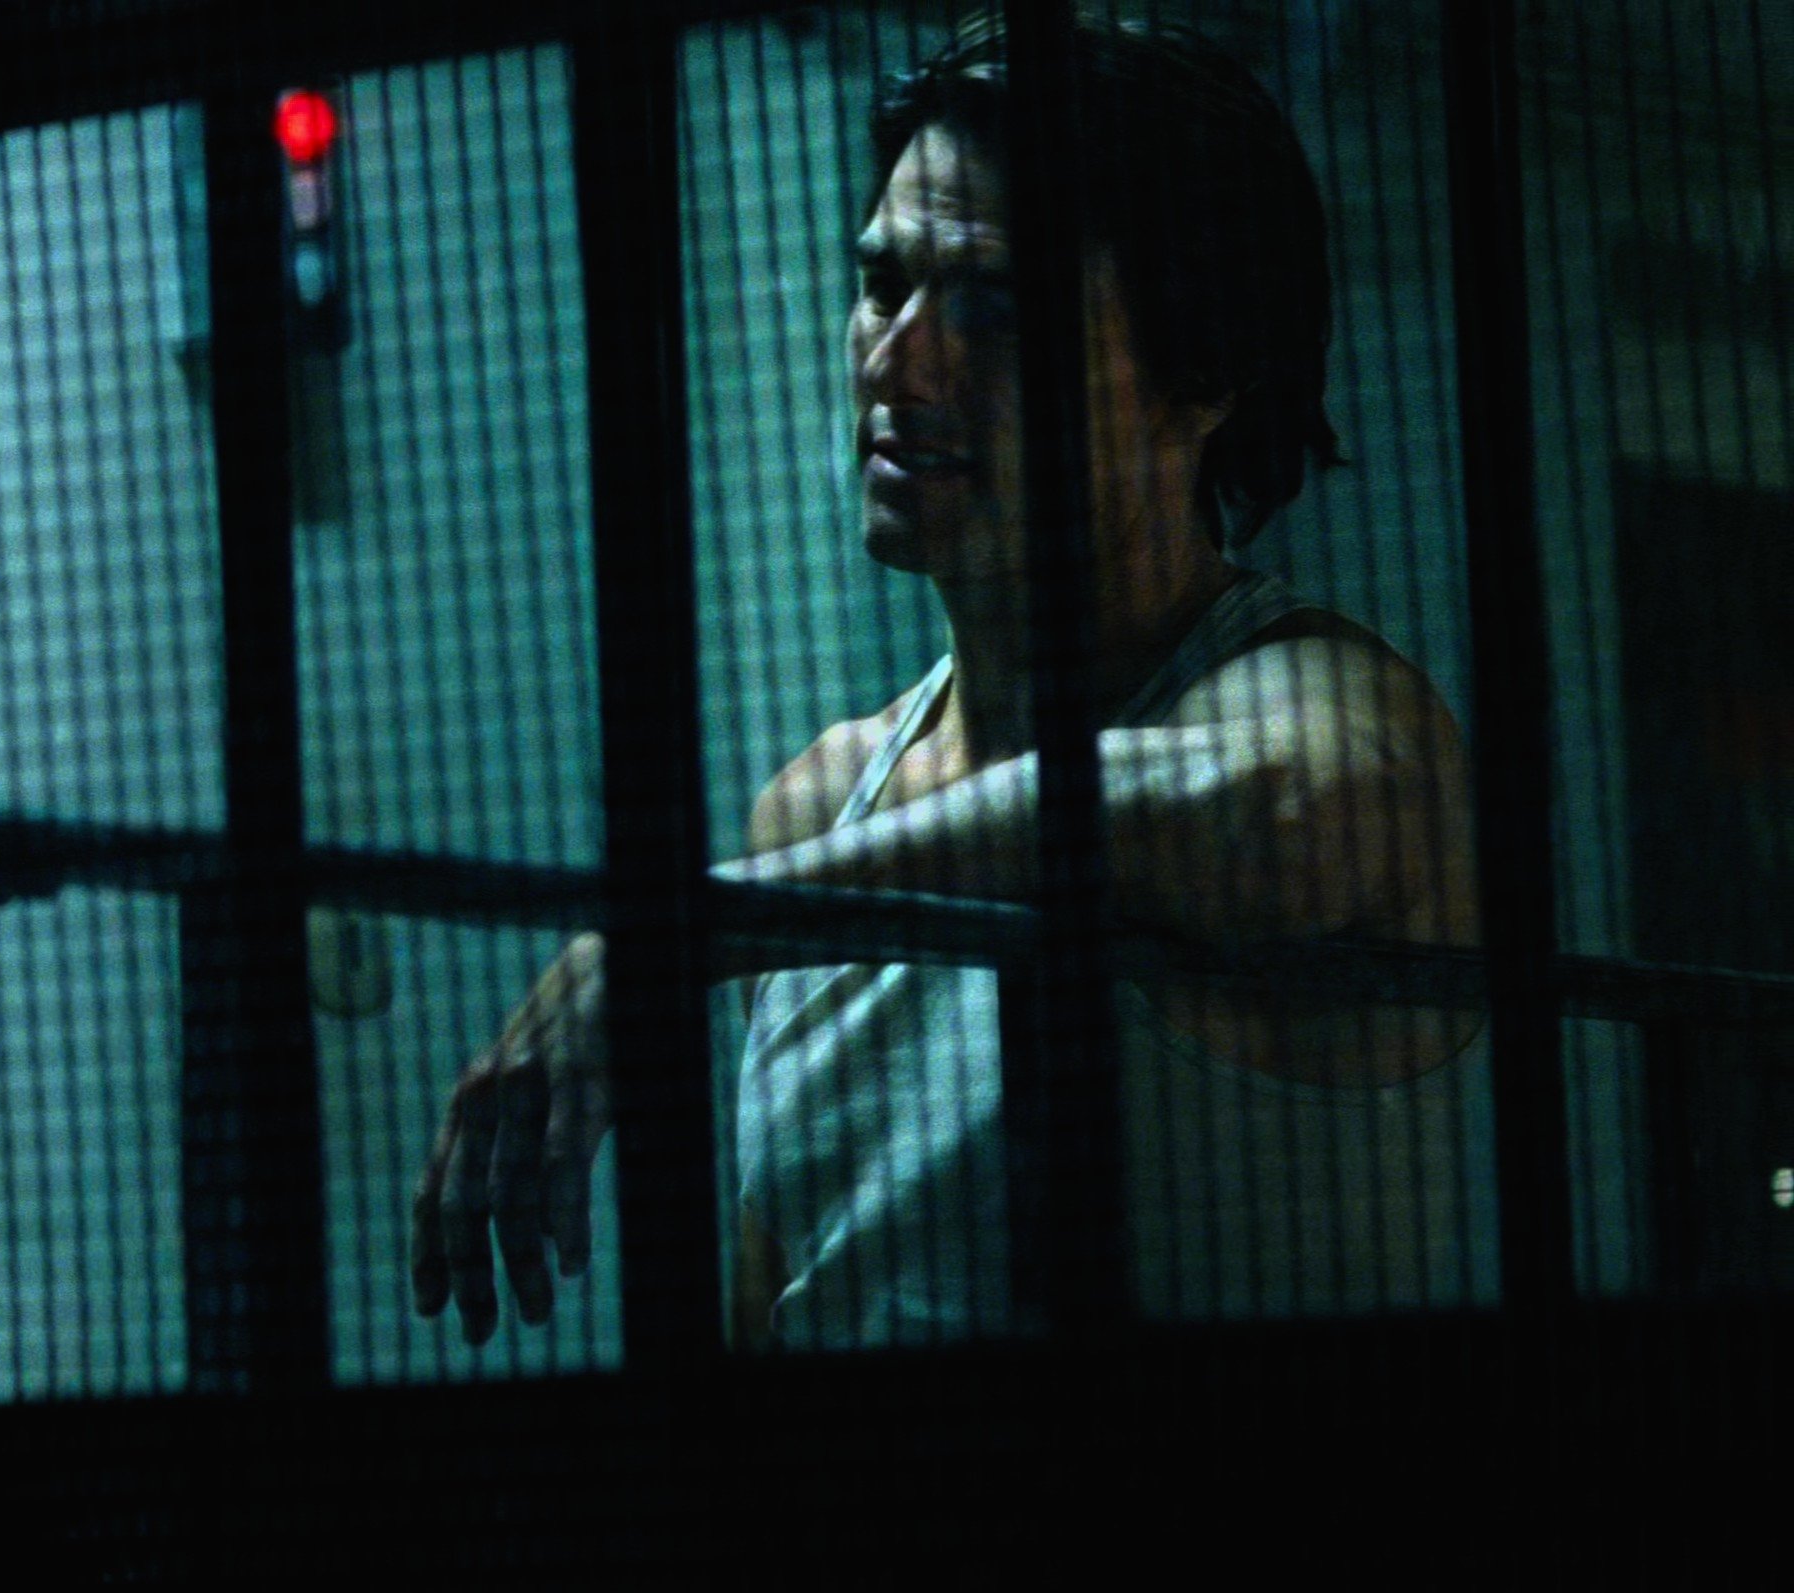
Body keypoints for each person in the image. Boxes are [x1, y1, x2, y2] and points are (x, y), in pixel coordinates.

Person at [411, 18, 1492, 1351]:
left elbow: (1270, 819)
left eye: (992, 307)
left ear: (1202, 371)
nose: (893, 362)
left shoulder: (1324, 700)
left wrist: (674, 939)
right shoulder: (821, 809)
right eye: (882, 286)